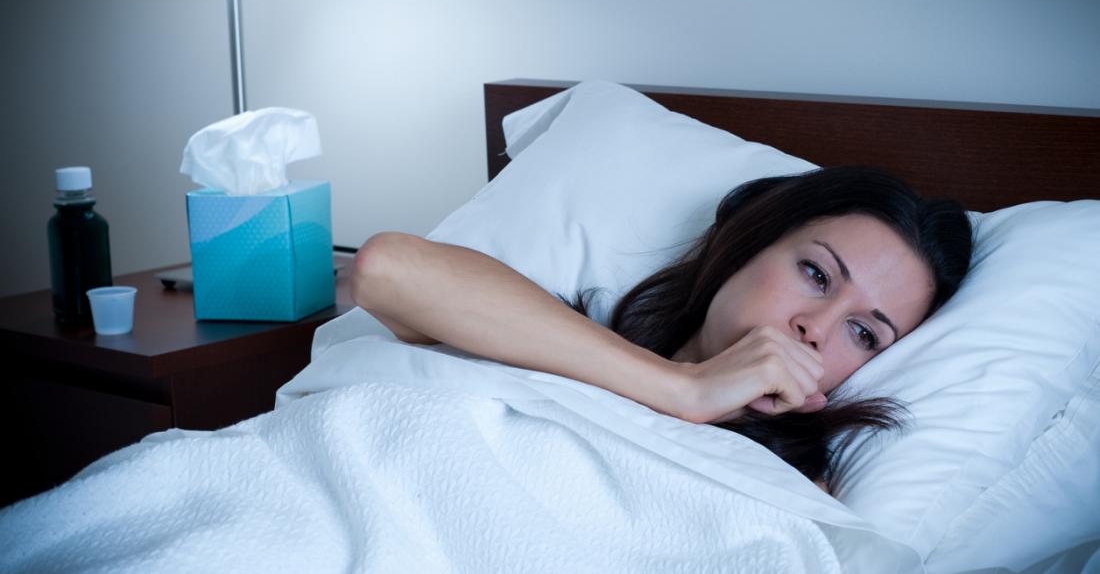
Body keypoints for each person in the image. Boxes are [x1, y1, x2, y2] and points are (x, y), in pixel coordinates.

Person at [350, 166, 973, 487]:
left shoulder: (799, 485)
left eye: (865, 334)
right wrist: (681, 389)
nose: (815, 328)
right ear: (747, 244)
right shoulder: (550, 336)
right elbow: (385, 270)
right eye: (816, 273)